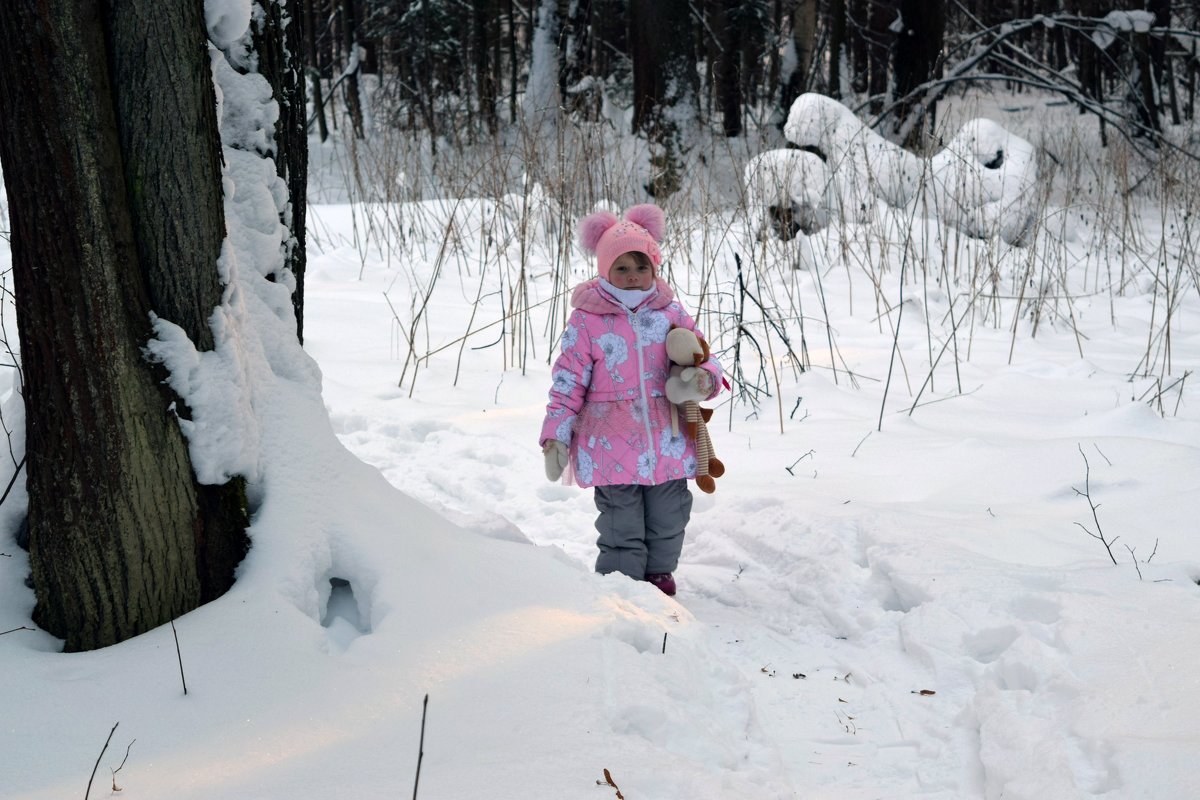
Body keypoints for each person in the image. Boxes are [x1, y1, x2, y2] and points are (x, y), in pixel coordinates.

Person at [539, 204, 723, 597]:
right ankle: (622, 589)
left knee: (669, 515)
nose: (633, 276)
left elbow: (701, 355)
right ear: (605, 270)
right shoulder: (587, 320)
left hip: (667, 438)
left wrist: (704, 379)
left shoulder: (670, 311)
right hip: (610, 441)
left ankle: (658, 576)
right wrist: (556, 435)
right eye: (621, 268)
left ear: (654, 267)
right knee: (620, 522)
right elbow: (567, 380)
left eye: (641, 266)